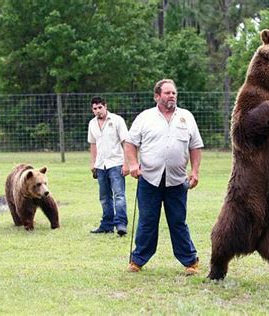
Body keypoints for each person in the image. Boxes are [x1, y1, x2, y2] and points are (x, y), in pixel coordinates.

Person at [125, 79, 203, 275]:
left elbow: (195, 146)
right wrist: (133, 164)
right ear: (157, 96)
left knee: (178, 221)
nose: (172, 96)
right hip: (149, 179)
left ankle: (190, 262)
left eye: (174, 93)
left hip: (177, 181)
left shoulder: (186, 117)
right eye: (167, 93)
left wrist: (195, 171)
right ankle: (137, 260)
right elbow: (130, 143)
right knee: (147, 220)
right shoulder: (145, 118)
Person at [87, 96, 129, 236]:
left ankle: (121, 224)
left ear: (105, 106)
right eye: (95, 109)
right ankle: (107, 225)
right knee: (104, 197)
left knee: (119, 195)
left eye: (100, 107)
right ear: (92, 110)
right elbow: (93, 144)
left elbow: (125, 141)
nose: (98, 111)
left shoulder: (117, 120)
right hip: (101, 165)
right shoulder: (92, 124)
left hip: (116, 163)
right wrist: (93, 162)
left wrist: (127, 163)